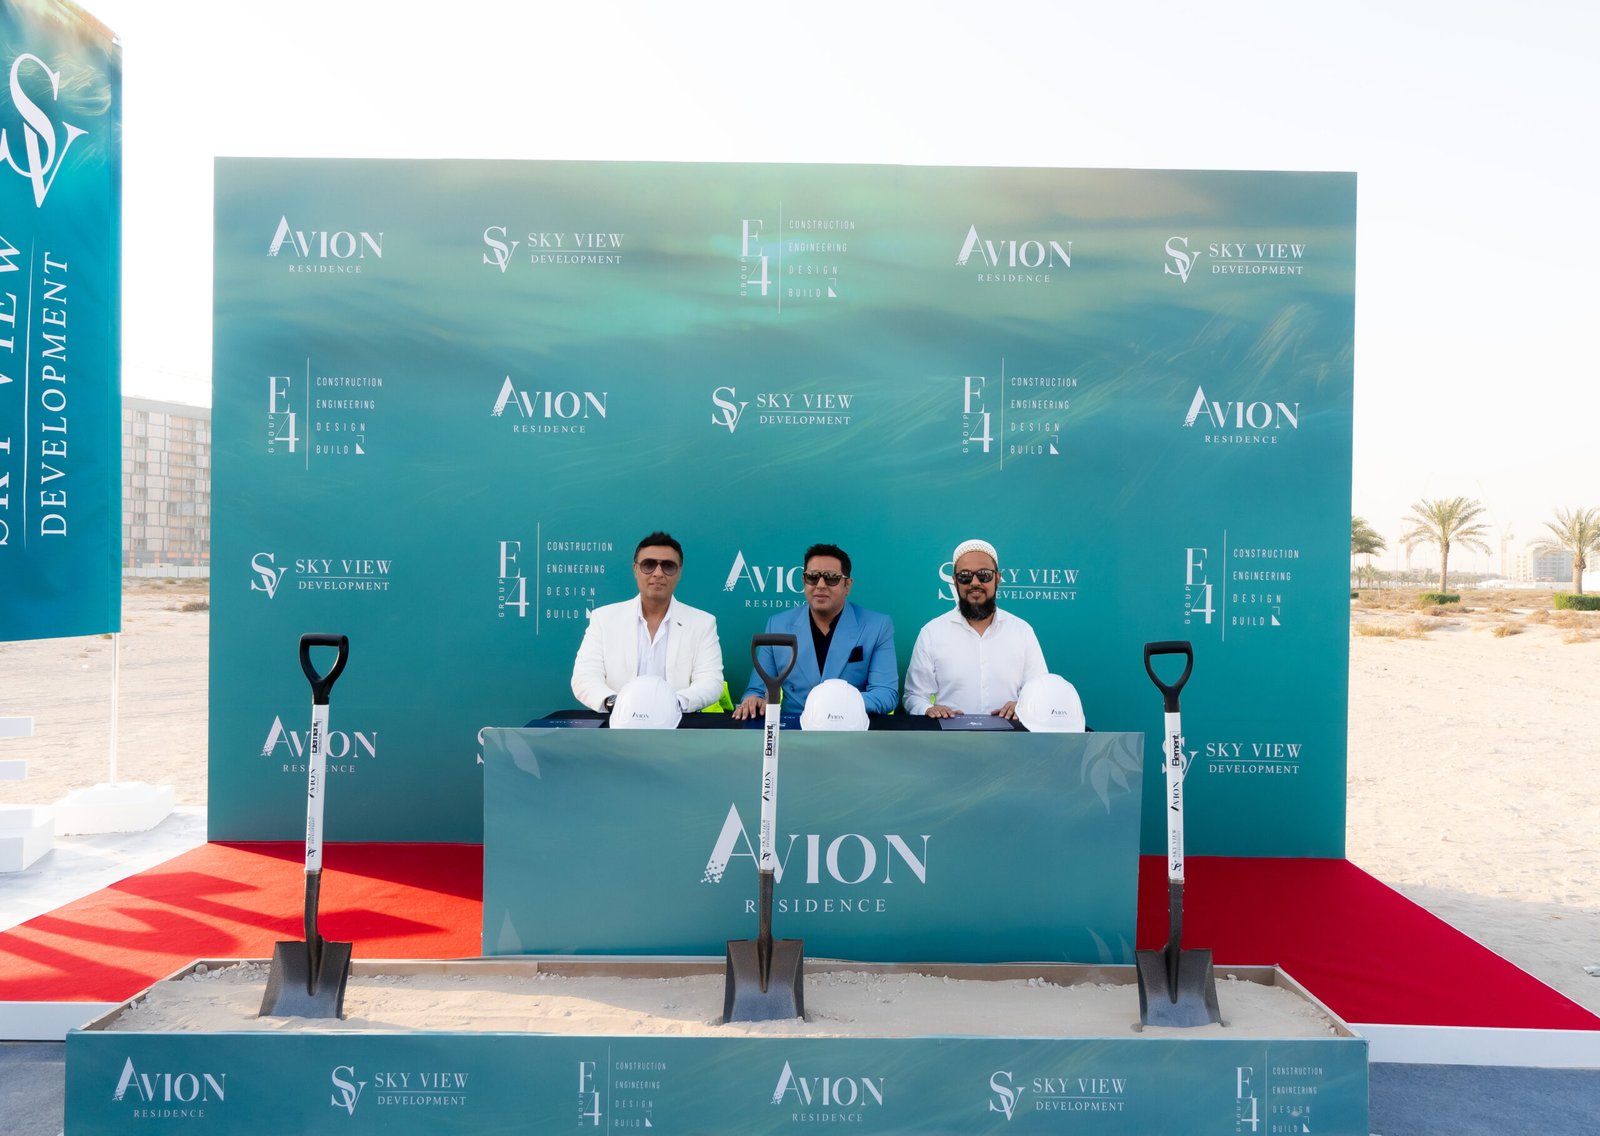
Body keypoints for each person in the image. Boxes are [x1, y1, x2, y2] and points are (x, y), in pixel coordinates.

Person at [732, 543, 898, 718]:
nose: (820, 585)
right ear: (804, 581)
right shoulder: (777, 625)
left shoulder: (877, 626)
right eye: (812, 577)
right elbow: (756, 689)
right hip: (794, 728)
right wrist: (753, 700)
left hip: (849, 726)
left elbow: (886, 693)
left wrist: (836, 705)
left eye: (831, 578)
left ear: (847, 585)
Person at [570, 531, 725, 714]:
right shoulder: (603, 619)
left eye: (668, 566)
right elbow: (584, 677)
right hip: (616, 723)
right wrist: (618, 704)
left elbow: (711, 682)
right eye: (649, 565)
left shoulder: (703, 623)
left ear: (679, 572)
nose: (658, 573)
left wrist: (670, 705)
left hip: (678, 723)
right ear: (635, 569)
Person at [903, 538, 1047, 720]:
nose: (975, 582)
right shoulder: (932, 633)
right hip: (949, 735)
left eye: (984, 575)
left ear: (997, 578)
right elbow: (914, 696)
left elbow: (1042, 692)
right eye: (965, 576)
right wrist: (928, 709)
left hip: (1011, 735)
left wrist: (1024, 705)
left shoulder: (1022, 631)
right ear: (955, 581)